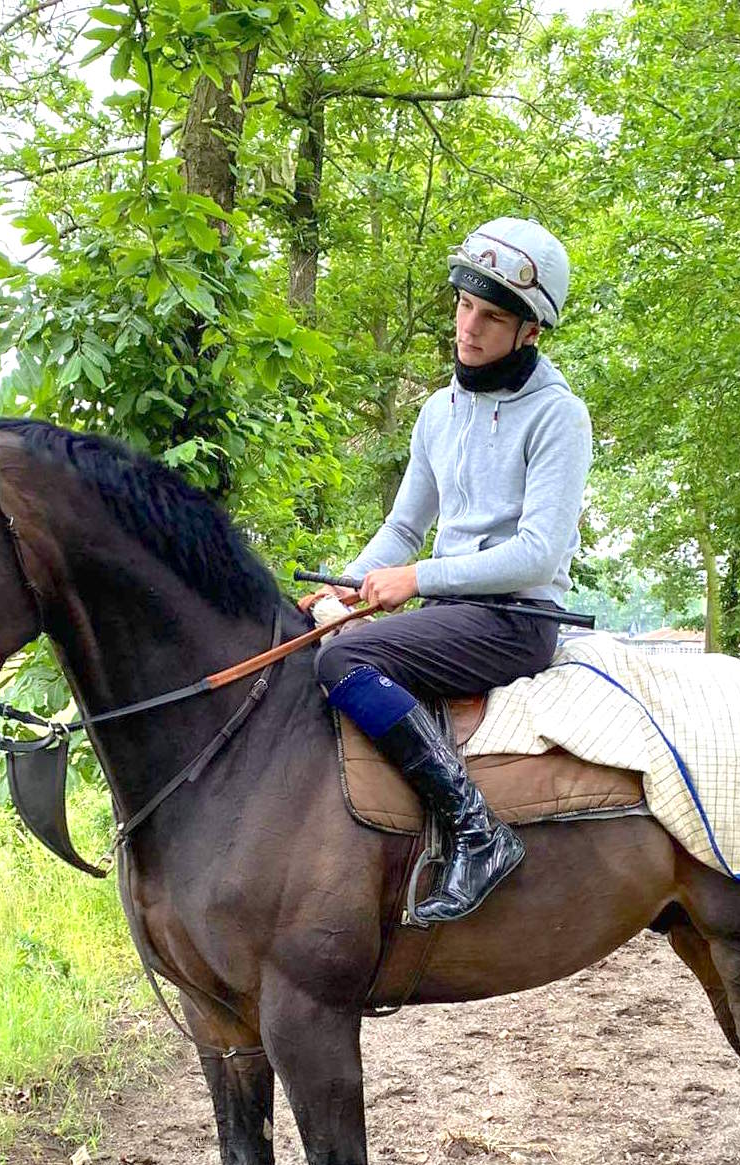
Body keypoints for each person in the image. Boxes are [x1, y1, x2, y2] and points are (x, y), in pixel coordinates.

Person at [300, 217, 592, 925]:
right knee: (303, 635)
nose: (468, 327)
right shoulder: (437, 411)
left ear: (530, 331)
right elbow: (402, 528)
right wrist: (349, 581)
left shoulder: (559, 416)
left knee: (347, 659)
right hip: (449, 612)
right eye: (464, 306)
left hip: (517, 620)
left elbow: (539, 554)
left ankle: (476, 832)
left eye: (492, 316)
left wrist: (417, 580)